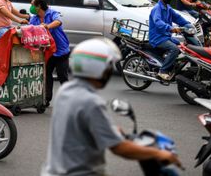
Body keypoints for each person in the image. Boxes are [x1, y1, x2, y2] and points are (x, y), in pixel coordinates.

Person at [41, 38, 182, 176]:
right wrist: (159, 153)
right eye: (108, 66)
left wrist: (109, 130)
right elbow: (119, 148)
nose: (109, 71)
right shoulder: (91, 102)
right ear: (98, 68)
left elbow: (77, 125)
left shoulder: (66, 91)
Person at [29, 0, 70, 106]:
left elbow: (58, 22)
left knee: (63, 77)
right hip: (47, 52)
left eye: (33, 5)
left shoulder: (52, 13)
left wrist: (46, 26)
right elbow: (29, 30)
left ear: (39, 6)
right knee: (46, 75)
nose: (31, 7)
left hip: (61, 50)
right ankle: (46, 99)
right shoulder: (34, 19)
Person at [149, 0, 190, 81]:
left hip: (166, 36)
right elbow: (158, 22)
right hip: (158, 38)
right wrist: (171, 28)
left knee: (182, 46)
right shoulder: (157, 8)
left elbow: (177, 17)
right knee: (174, 49)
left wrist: (188, 24)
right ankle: (162, 71)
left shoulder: (167, 7)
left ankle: (170, 66)